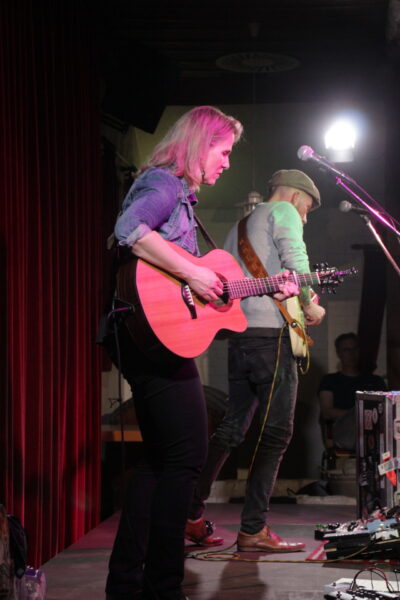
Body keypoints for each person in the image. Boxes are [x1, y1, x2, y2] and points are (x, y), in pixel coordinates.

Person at [102, 107, 298, 600]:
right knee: (188, 457)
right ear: (199, 144)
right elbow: (129, 230)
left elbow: (212, 285)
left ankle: (127, 584)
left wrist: (268, 285)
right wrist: (193, 273)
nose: (228, 163)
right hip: (150, 336)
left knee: (160, 461)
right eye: (224, 151)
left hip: (147, 338)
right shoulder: (163, 184)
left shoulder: (181, 198)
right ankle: (163, 586)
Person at [185, 169, 326, 553]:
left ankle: (189, 511)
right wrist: (310, 304)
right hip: (271, 338)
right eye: (307, 209)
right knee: (277, 433)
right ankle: (253, 529)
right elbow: (297, 263)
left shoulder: (242, 224)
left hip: (241, 336)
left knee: (232, 428)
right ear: (295, 197)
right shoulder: (285, 212)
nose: (305, 218)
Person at [318, 332, 387, 452]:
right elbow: (327, 412)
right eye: (346, 350)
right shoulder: (329, 380)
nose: (352, 354)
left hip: (374, 428)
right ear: (339, 353)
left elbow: (386, 408)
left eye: (355, 349)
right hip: (344, 431)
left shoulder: (375, 381)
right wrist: (360, 415)